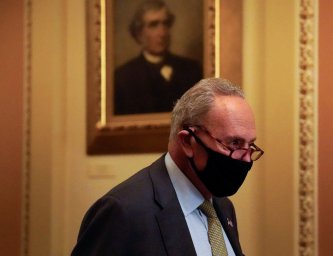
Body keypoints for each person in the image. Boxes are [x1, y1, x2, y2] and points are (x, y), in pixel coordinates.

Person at [72, 78, 264, 255]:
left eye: (250, 145)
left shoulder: (222, 205)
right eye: (234, 144)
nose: (246, 159)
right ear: (188, 141)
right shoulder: (122, 212)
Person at [114, 0, 202, 115]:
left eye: (165, 24)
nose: (162, 33)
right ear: (139, 33)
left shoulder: (192, 70)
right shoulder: (123, 78)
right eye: (153, 25)